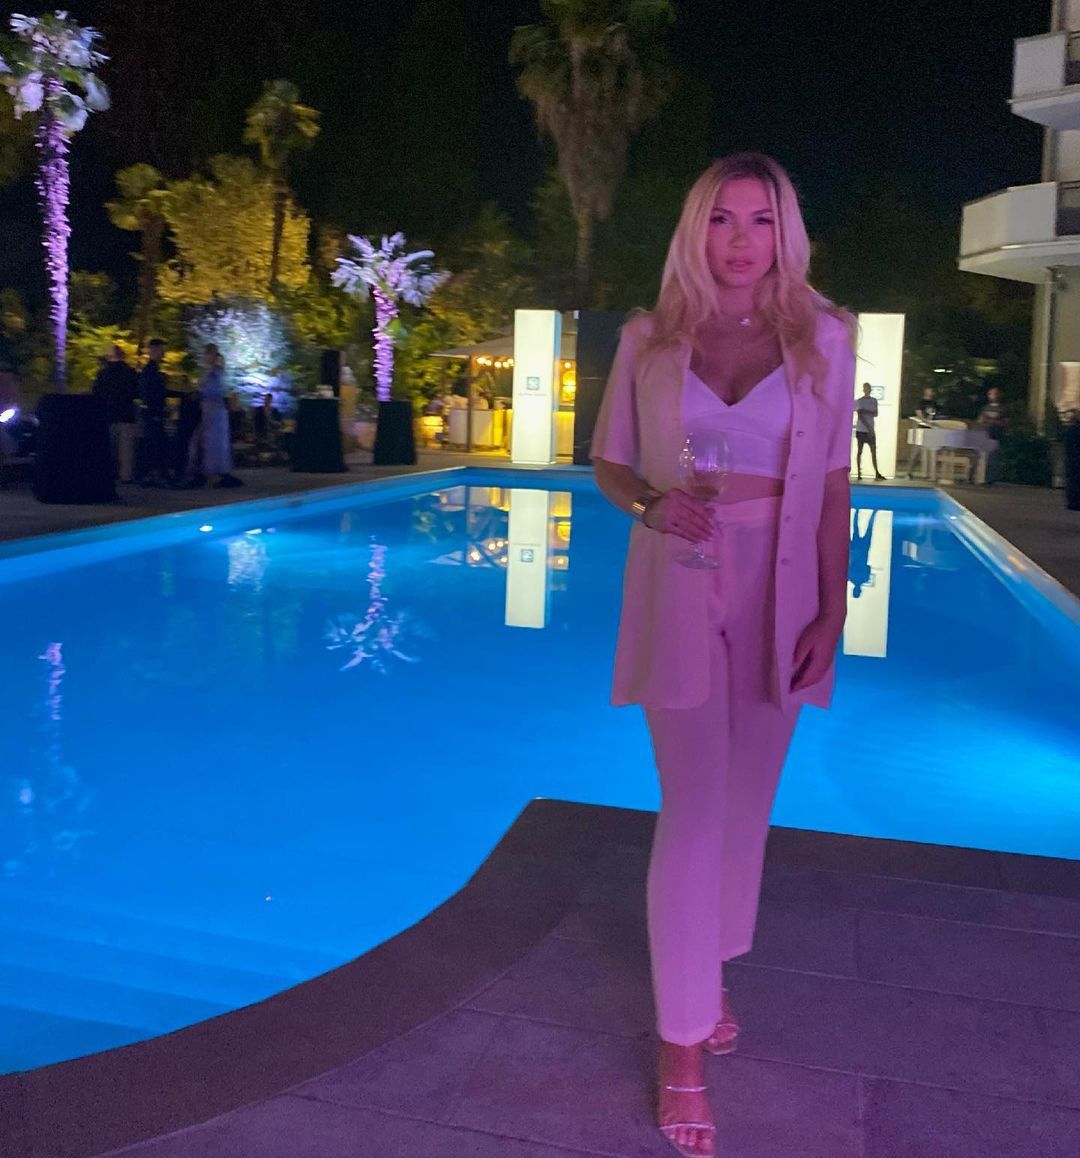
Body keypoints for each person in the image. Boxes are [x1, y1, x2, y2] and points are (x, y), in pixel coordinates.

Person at [590, 153, 855, 1158]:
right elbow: (611, 462)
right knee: (696, 807)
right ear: (694, 230)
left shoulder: (825, 338)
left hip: (783, 586)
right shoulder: (650, 339)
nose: (740, 241)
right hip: (681, 577)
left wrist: (832, 609)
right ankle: (681, 1047)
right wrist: (653, 505)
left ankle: (708, 972)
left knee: (747, 805)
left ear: (786, 234)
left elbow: (831, 486)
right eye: (721, 219)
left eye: (760, 220)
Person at [187, 344, 242, 488]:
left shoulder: (216, 372)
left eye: (208, 354)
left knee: (213, 440)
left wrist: (200, 393)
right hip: (208, 409)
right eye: (205, 354)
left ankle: (215, 472)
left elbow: (214, 389)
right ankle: (209, 472)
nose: (205, 357)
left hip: (215, 409)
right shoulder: (209, 372)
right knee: (206, 440)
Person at [92, 345, 139, 483]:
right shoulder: (130, 372)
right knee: (126, 449)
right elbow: (136, 392)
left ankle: (108, 473)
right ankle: (126, 475)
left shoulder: (103, 374)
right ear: (122, 356)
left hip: (108, 415)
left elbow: (96, 393)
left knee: (109, 447)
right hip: (126, 414)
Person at [136, 338, 180, 485]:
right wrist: (155, 412)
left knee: (156, 444)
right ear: (154, 351)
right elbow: (151, 393)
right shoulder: (150, 372)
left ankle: (155, 475)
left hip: (153, 413)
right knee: (157, 444)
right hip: (153, 414)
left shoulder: (151, 371)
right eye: (161, 350)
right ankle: (159, 476)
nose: (163, 353)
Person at [971, 385, 1007, 484]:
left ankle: (991, 478)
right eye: (990, 394)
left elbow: (1005, 423)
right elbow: (980, 421)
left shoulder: (1003, 409)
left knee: (993, 457)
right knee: (980, 456)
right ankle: (977, 477)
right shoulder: (985, 408)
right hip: (983, 434)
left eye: (995, 394)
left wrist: (994, 421)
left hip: (995, 435)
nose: (993, 396)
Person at [854, 382, 887, 480]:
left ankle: (876, 472)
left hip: (869, 429)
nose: (866, 390)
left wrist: (865, 411)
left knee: (873, 451)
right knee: (860, 450)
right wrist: (868, 415)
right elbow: (860, 414)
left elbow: (875, 413)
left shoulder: (873, 401)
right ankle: (859, 472)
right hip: (862, 429)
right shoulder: (860, 401)